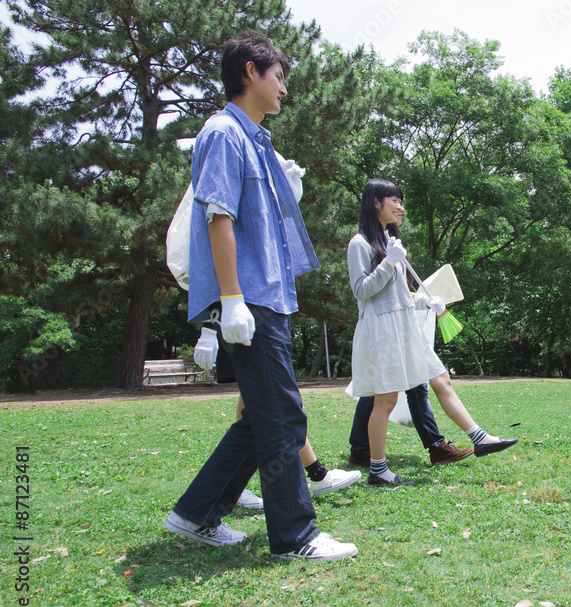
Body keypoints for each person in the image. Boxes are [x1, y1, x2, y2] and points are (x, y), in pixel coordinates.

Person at [163, 30, 355, 561]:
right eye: (278, 77)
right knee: (284, 416)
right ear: (251, 72)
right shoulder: (223, 133)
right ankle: (296, 536)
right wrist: (232, 299)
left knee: (261, 417)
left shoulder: (254, 139)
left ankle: (194, 514)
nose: (284, 90)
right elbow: (217, 217)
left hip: (266, 295)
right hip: (249, 299)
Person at [346, 178, 517, 483]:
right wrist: (388, 264)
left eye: (401, 201)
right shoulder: (360, 244)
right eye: (395, 200)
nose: (401, 207)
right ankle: (378, 469)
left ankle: (479, 438)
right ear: (376, 202)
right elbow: (361, 291)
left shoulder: (390, 242)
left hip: (406, 325)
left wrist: (425, 300)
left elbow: (397, 295)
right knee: (384, 401)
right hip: (383, 330)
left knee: (442, 379)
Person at [192, 325, 361, 509]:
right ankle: (318, 474)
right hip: (249, 328)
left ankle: (233, 489)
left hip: (255, 328)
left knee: (258, 402)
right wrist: (209, 328)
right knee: (279, 403)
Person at [347, 375, 518, 467]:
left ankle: (438, 446)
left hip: (409, 324)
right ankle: (364, 453)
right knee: (380, 389)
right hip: (394, 326)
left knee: (420, 385)